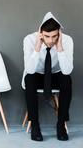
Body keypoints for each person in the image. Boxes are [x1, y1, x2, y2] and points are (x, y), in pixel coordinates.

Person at [22, 12, 73, 141]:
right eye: (47, 36)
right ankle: (35, 125)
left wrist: (60, 47)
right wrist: (38, 47)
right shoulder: (29, 39)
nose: (51, 40)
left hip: (56, 75)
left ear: (59, 33)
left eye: (54, 36)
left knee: (67, 79)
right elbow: (29, 69)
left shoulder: (67, 40)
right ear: (40, 33)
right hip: (36, 75)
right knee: (29, 79)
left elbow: (67, 70)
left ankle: (61, 125)